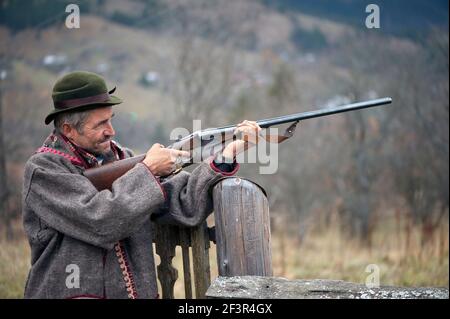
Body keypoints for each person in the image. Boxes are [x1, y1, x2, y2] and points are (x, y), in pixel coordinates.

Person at [22, 71, 261, 299]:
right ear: (68, 130)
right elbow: (100, 220)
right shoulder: (44, 170)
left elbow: (184, 204)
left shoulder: (122, 158)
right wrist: (148, 171)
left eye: (110, 120)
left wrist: (227, 155)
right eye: (100, 124)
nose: (111, 131)